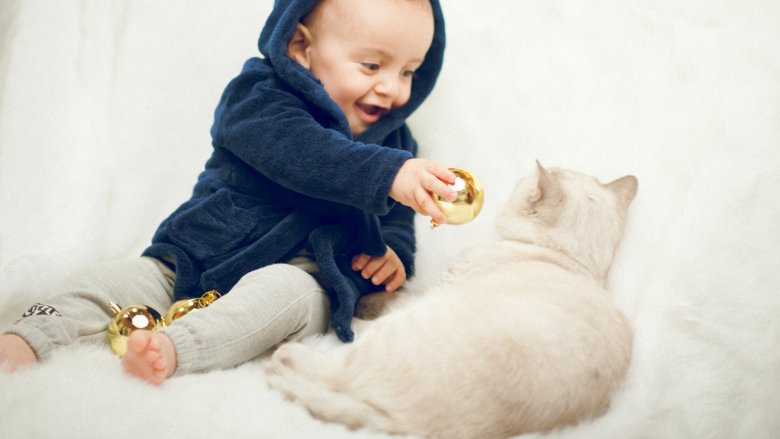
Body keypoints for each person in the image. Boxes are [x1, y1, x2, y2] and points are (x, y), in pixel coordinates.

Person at [0, 0, 453, 384]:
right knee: (112, 282)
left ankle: (174, 348)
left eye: (410, 71)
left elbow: (397, 219)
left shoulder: (395, 144)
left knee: (286, 294)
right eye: (372, 65)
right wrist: (387, 174)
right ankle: (27, 338)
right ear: (300, 47)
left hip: (307, 270)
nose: (392, 88)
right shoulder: (259, 97)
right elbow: (300, 152)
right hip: (201, 253)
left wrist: (391, 254)